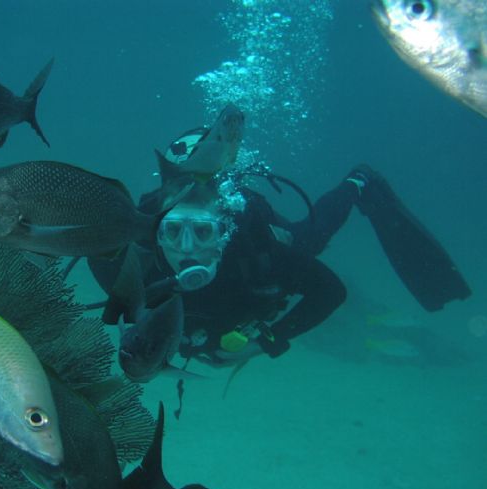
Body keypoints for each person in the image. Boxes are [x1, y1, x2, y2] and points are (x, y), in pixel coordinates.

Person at [89, 121, 472, 371]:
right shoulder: (129, 261)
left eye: (204, 233)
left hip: (259, 240)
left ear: (223, 230)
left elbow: (330, 291)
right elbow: (94, 253)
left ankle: (358, 182)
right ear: (156, 232)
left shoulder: (254, 249)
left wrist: (264, 342)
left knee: (309, 238)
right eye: (173, 234)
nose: (187, 248)